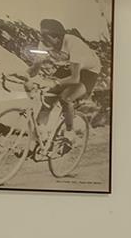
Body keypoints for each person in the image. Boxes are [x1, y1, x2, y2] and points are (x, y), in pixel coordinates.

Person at [30, 18, 102, 153]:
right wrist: (21, 75)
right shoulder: (43, 44)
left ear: (58, 37)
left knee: (66, 98)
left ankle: (69, 134)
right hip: (68, 67)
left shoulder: (73, 44)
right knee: (47, 99)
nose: (41, 39)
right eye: (41, 34)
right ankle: (41, 139)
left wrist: (54, 82)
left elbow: (75, 78)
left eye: (45, 36)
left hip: (88, 71)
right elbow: (34, 69)